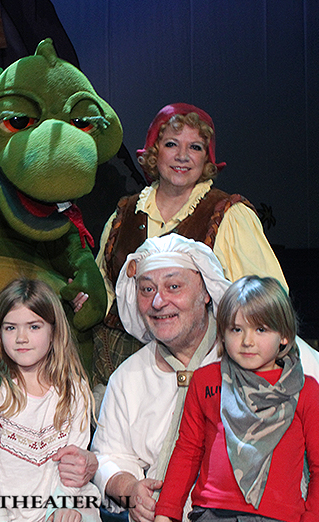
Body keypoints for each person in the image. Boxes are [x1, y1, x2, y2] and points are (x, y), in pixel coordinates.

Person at [91, 234, 319, 522]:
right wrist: (130, 491)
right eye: (147, 289)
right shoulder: (128, 377)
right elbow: (108, 457)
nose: (158, 302)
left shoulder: (272, 354)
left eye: (174, 286)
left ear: (205, 292)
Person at [92, 103, 287, 385]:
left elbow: (268, 299)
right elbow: (103, 292)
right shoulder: (125, 214)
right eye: (171, 144)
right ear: (155, 151)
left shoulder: (228, 214)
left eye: (195, 147)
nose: (182, 156)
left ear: (206, 158)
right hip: (125, 364)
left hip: (203, 364)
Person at [152, 276, 319, 522]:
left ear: (284, 336)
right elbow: (188, 451)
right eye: (236, 329)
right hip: (211, 519)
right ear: (222, 333)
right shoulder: (206, 381)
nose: (247, 341)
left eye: (260, 329)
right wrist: (164, 515)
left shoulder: (306, 392)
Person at [0, 279, 102, 522]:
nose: (21, 338)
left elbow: (73, 466)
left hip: (67, 504)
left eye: (34, 326)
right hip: (12, 517)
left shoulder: (74, 390)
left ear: (54, 331)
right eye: (11, 328)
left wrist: (62, 507)